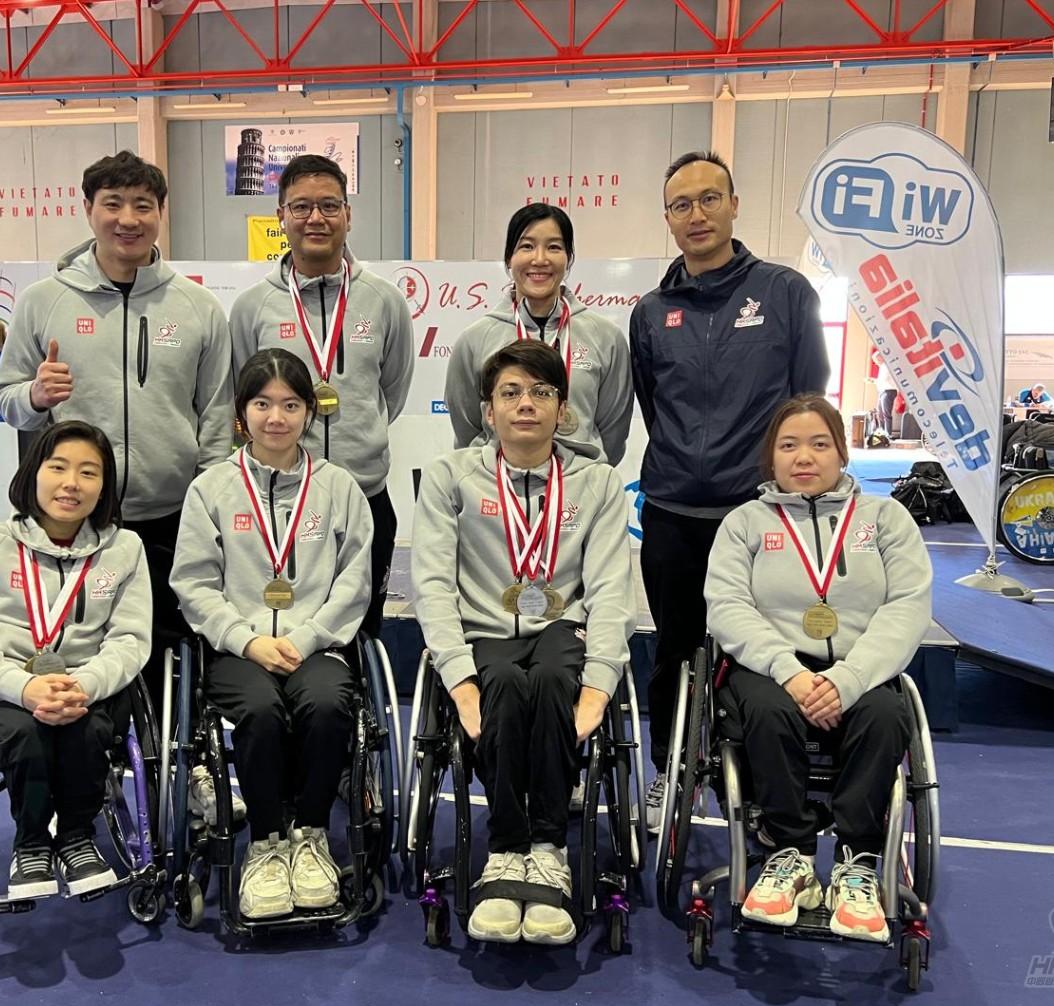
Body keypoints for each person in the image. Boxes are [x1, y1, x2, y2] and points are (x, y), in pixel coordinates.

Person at [629, 150, 831, 831]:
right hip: (673, 512)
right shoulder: (651, 312)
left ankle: (766, 782)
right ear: (668, 218)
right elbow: (653, 403)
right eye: (681, 204)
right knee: (674, 650)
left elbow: (807, 399)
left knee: (766, 652)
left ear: (735, 205)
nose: (697, 214)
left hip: (761, 514)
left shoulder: (786, 293)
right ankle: (670, 772)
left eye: (709, 199)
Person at [413, 341, 635, 946]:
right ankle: (506, 851)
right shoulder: (450, 478)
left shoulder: (598, 483)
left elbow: (611, 592)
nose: (526, 404)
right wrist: (460, 682)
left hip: (565, 627)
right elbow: (432, 586)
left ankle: (548, 849)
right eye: (510, 393)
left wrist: (599, 687)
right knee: (505, 684)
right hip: (485, 629)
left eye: (541, 392)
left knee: (556, 678)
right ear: (488, 411)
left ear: (563, 409)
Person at [0, 150, 233, 676]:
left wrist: (208, 507)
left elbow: (217, 416)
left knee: (167, 657)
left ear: (161, 212)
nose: (128, 219)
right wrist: (35, 395)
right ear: (88, 209)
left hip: (172, 519)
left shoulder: (199, 307)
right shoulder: (42, 301)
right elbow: (6, 400)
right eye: (113, 203)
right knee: (80, 649)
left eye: (142, 205)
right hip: (74, 516)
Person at [704, 395, 930, 943]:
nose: (803, 457)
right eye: (789, 445)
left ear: (842, 453)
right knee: (765, 711)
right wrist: (791, 672)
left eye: (819, 444)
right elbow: (728, 606)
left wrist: (847, 680)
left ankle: (858, 861)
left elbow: (907, 606)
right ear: (771, 457)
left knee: (884, 716)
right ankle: (790, 853)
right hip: (770, 668)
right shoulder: (744, 523)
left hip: (861, 666)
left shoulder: (886, 519)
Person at [170, 348, 373, 921]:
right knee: (259, 711)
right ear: (242, 414)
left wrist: (307, 638)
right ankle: (264, 844)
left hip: (318, 645)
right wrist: (246, 639)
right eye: (262, 404)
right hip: (239, 648)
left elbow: (355, 580)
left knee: (328, 704)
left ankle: (310, 836)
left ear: (310, 411)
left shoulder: (339, 487)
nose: (276, 418)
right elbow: (194, 582)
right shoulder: (211, 488)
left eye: (290, 404)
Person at [0, 420, 152, 900]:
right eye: (58, 468)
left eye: (88, 473)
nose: (71, 483)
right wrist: (23, 687)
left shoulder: (125, 549)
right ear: (33, 472)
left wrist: (85, 684)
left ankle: (76, 838)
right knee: (25, 731)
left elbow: (130, 640)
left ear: (104, 487)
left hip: (84, 686)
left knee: (88, 729)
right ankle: (31, 844)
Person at [229, 154, 414, 640]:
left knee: (362, 633)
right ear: (281, 216)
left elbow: (391, 390)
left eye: (330, 205)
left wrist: (357, 435)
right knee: (281, 632)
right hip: (279, 504)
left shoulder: (385, 301)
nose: (316, 218)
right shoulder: (253, 307)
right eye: (302, 206)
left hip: (365, 496)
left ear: (348, 214)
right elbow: (243, 396)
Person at [446, 203, 633, 465]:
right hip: (498, 483)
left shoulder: (606, 337)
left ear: (569, 257)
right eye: (527, 246)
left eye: (554, 247)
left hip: (577, 483)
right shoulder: (475, 340)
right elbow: (467, 428)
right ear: (509, 258)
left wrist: (582, 472)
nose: (540, 259)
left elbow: (613, 430)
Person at [870, 348, 897, 440]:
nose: (875, 362)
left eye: (876, 360)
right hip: (883, 391)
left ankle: (888, 434)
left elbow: (884, 380)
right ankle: (881, 432)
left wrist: (874, 381)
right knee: (880, 413)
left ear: (880, 358)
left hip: (888, 391)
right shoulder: (882, 367)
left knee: (886, 413)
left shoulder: (887, 366)